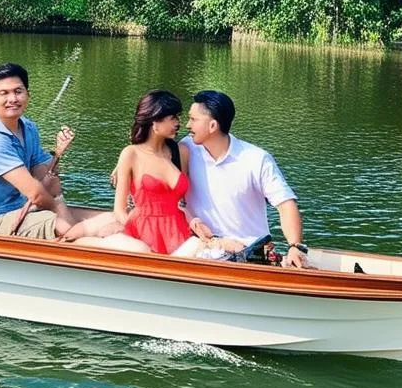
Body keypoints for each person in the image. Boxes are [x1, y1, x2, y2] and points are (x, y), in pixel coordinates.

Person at [179, 90, 310, 268]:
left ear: (212, 126)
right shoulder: (186, 149)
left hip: (248, 255)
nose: (187, 125)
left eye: (193, 120)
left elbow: (286, 204)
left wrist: (295, 246)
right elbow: (171, 196)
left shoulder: (256, 159)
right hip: (202, 249)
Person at [60, 90, 190, 254]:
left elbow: (184, 201)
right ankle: (82, 243)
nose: (178, 123)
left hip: (177, 228)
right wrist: (134, 228)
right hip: (142, 228)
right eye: (173, 118)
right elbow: (119, 209)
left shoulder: (181, 151)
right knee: (142, 251)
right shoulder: (131, 154)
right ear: (154, 122)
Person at [0, 62, 77, 238]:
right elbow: (36, 194)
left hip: (18, 210)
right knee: (64, 224)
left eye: (18, 92)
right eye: (4, 93)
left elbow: (42, 175)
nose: (12, 99)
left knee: (92, 221)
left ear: (28, 94)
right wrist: (58, 207)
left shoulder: (29, 128)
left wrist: (58, 153)